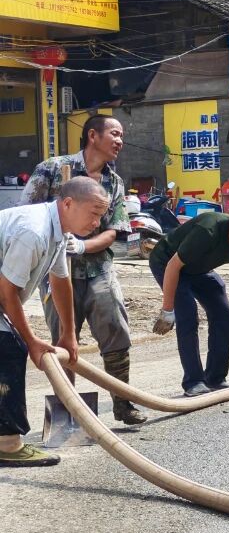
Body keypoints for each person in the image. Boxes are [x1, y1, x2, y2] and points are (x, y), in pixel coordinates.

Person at [22, 115, 146, 425]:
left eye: (122, 136)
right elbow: (25, 212)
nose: (120, 141)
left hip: (98, 269)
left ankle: (123, 403)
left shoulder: (114, 183)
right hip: (53, 269)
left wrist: (82, 246)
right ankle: (68, 413)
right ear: (93, 135)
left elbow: (115, 231)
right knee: (63, 339)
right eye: (114, 134)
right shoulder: (52, 169)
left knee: (116, 329)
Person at [0, 178, 105, 467]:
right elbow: (7, 293)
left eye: (100, 216)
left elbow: (60, 281)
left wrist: (68, 334)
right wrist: (32, 342)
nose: (97, 223)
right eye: (93, 213)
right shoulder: (33, 231)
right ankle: (7, 444)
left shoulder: (59, 233)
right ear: (68, 203)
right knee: (9, 348)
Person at [149, 202, 229, 396]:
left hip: (199, 268)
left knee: (224, 314)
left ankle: (215, 377)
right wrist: (168, 309)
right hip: (167, 263)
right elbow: (173, 266)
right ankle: (193, 382)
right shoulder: (208, 231)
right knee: (187, 314)